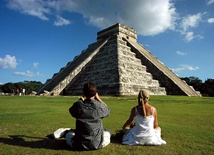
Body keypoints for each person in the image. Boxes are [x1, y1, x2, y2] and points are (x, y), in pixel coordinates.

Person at [66, 82, 111, 150]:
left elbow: (71, 110)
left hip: (79, 144)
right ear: (96, 93)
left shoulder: (78, 105)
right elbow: (108, 110)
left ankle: (66, 132)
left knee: (68, 134)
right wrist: (98, 99)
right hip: (97, 144)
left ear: (84, 93)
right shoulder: (100, 106)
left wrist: (81, 99)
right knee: (107, 133)